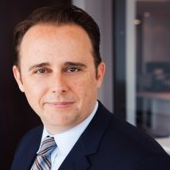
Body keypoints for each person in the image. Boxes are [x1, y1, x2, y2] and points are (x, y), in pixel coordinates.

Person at [11, 4, 169, 170]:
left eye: (73, 69)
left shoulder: (144, 162)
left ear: (98, 75)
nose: (58, 87)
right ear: (20, 79)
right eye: (41, 70)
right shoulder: (29, 142)